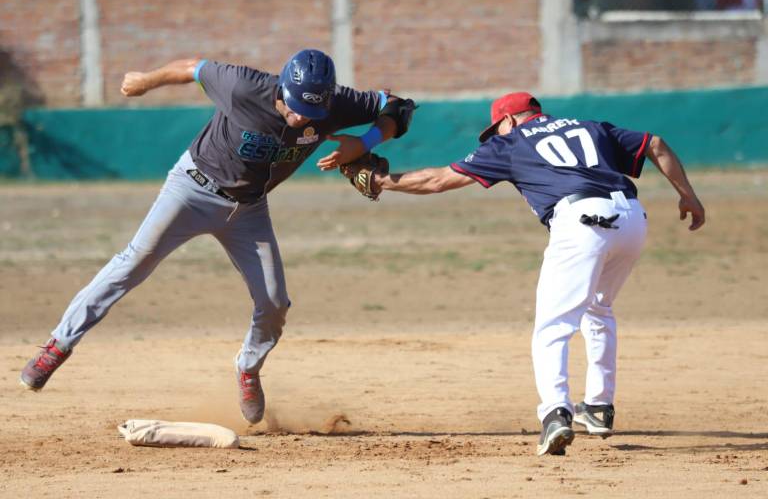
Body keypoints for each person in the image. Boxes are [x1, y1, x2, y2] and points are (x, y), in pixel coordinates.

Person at [19, 49, 416, 424]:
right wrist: (146, 80)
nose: (303, 118)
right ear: (283, 89)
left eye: (314, 110)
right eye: (297, 107)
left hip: (249, 210)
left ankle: (248, 368)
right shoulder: (243, 86)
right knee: (133, 263)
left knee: (274, 302)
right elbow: (192, 67)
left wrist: (364, 143)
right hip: (191, 189)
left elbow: (399, 107)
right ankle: (58, 345)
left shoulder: (334, 103)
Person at [341, 92, 705, 456]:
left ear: (510, 120)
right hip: (632, 220)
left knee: (553, 326)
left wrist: (381, 181)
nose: (494, 136)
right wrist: (688, 195)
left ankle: (555, 415)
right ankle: (597, 406)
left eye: (496, 128)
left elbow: (438, 180)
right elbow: (654, 143)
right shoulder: (588, 126)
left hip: (582, 223)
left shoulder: (511, 143)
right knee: (598, 308)